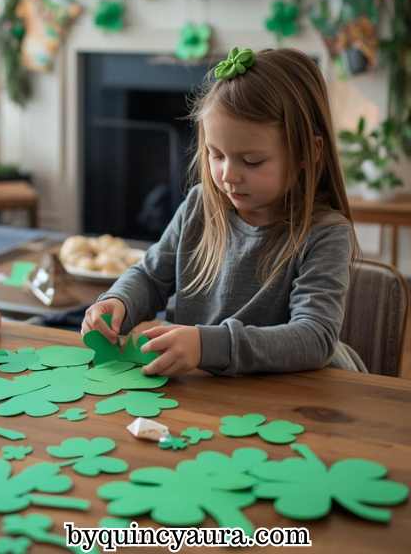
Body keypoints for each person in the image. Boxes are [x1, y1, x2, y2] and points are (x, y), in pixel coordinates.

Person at [82, 47, 365, 376]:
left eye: (252, 161)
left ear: (308, 152)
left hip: (290, 395)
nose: (229, 175)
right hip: (205, 390)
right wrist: (118, 301)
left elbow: (314, 338)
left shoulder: (326, 233)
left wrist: (206, 346)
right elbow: (150, 276)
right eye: (216, 155)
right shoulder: (200, 206)